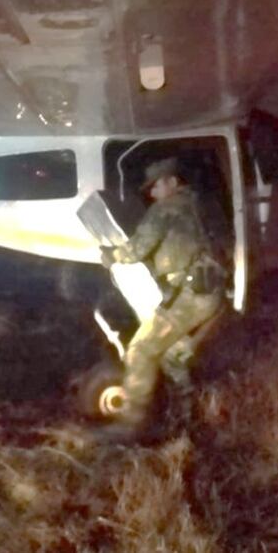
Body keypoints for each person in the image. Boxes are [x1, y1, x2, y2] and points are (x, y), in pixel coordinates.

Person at [99, 157, 228, 440]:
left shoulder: (166, 208)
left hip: (190, 296)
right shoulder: (199, 203)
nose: (153, 194)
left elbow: (136, 249)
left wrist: (111, 255)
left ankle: (130, 424)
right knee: (172, 354)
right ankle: (188, 420)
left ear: (171, 181)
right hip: (209, 291)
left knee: (141, 350)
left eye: (155, 186)